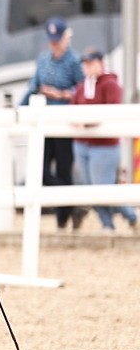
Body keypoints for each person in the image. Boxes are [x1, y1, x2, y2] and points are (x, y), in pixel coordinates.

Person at [19, 17, 84, 229]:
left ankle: (62, 220)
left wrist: (61, 94)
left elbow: (82, 90)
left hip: (64, 124)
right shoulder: (43, 60)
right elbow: (33, 87)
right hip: (44, 123)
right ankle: (72, 205)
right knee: (42, 170)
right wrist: (20, 109)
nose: (54, 44)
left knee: (64, 170)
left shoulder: (74, 61)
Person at [71, 48, 138, 232]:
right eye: (85, 63)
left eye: (90, 63)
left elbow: (111, 111)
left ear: (100, 63)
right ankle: (113, 222)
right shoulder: (82, 86)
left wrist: (86, 123)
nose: (87, 67)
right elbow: (73, 106)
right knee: (94, 188)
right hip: (83, 143)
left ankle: (122, 219)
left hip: (104, 146)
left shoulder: (110, 85)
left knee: (102, 188)